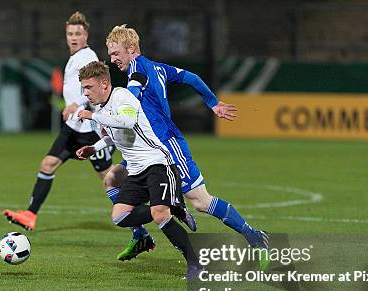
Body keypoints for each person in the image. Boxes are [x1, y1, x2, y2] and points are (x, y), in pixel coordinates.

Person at [103, 25, 268, 264]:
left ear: (131, 49)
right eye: (110, 54)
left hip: (167, 147)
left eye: (115, 52)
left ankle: (254, 236)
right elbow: (192, 78)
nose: (112, 59)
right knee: (113, 179)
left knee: (202, 201)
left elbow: (128, 105)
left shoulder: (138, 70)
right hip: (147, 149)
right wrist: (212, 102)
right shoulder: (158, 67)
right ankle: (142, 233)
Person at [75, 61, 200, 274]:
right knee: (120, 217)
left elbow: (127, 121)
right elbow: (113, 136)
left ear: (104, 84)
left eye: (88, 87)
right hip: (136, 171)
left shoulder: (121, 96)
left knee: (159, 214)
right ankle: (173, 206)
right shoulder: (100, 109)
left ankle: (196, 264)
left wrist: (92, 116)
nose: (85, 93)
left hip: (158, 163)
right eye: (83, 88)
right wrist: (94, 148)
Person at [3, 11, 116, 230]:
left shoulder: (88, 57)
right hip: (73, 127)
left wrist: (78, 105)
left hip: (90, 130)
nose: (73, 37)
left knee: (109, 178)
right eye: (70, 33)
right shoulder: (75, 58)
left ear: (86, 36)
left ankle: (138, 225)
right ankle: (30, 215)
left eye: (78, 33)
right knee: (48, 164)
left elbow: (98, 88)